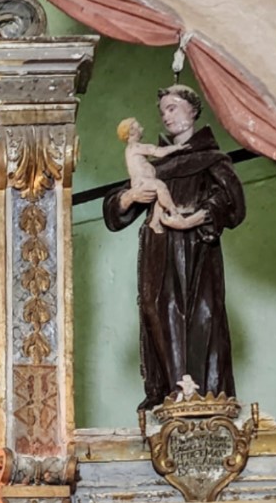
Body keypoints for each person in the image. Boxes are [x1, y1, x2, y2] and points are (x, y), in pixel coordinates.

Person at [102, 85, 247, 404]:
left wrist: (194, 219)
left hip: (197, 254)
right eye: (163, 110)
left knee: (200, 318)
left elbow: (232, 203)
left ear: (193, 110)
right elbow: (115, 215)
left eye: (173, 107)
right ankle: (169, 392)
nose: (167, 116)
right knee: (160, 311)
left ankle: (200, 395)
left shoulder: (212, 158)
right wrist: (129, 197)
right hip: (160, 253)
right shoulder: (157, 165)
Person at [115, 118, 209, 231]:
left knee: (161, 197)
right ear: (131, 132)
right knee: (161, 186)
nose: (142, 128)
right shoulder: (137, 147)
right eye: (139, 127)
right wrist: (177, 147)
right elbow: (159, 152)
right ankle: (174, 212)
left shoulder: (129, 150)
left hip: (143, 182)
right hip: (143, 182)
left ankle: (155, 221)